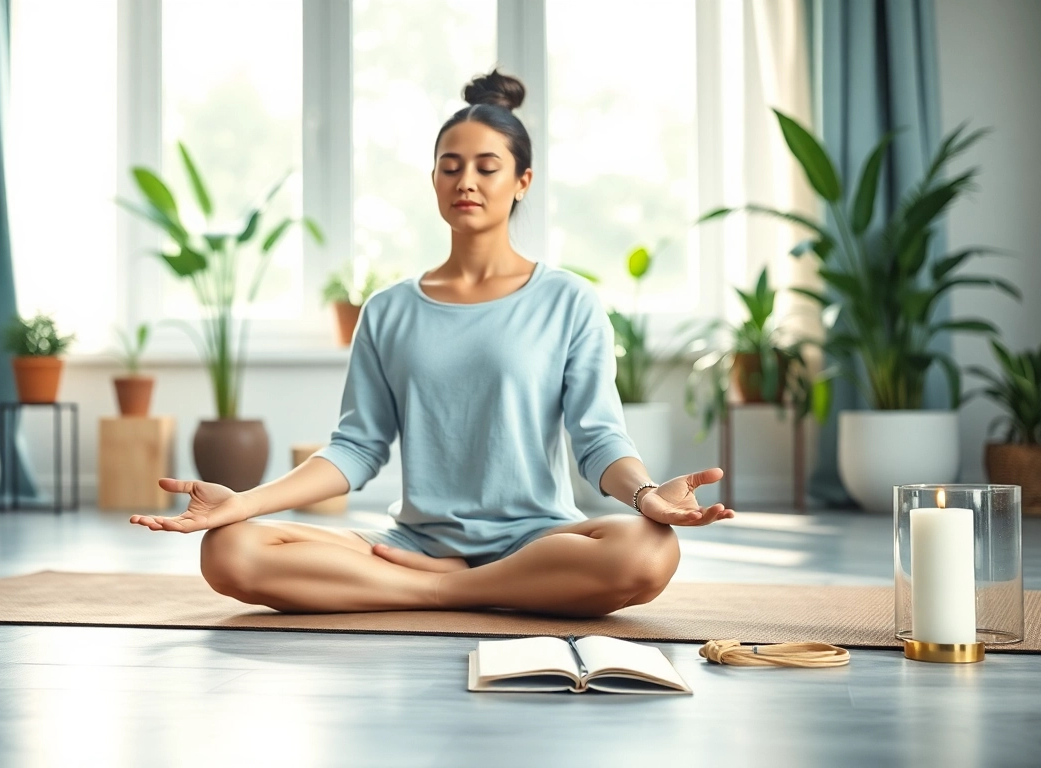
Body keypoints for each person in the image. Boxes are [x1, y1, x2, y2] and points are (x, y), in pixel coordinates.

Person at [131, 69, 734, 618]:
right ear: (434, 179)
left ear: (522, 181)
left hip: (537, 541)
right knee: (229, 551)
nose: (465, 181)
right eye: (450, 166)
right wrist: (245, 504)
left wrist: (648, 496)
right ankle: (460, 586)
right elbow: (356, 448)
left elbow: (598, 438)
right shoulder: (388, 310)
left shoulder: (567, 301)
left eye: (486, 167)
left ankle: (444, 590)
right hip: (412, 543)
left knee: (646, 553)